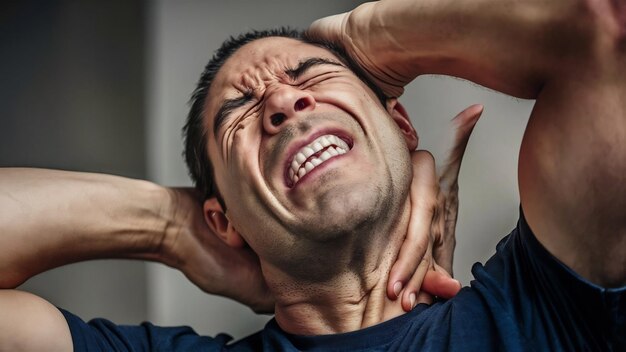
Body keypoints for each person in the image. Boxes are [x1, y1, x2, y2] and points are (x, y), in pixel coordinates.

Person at [2, 0, 625, 350]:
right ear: (224, 222)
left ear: (402, 128)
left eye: (310, 77)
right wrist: (169, 227)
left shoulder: (544, 306)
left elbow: (599, 34)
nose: (282, 103)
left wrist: (367, 34)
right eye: (239, 113)